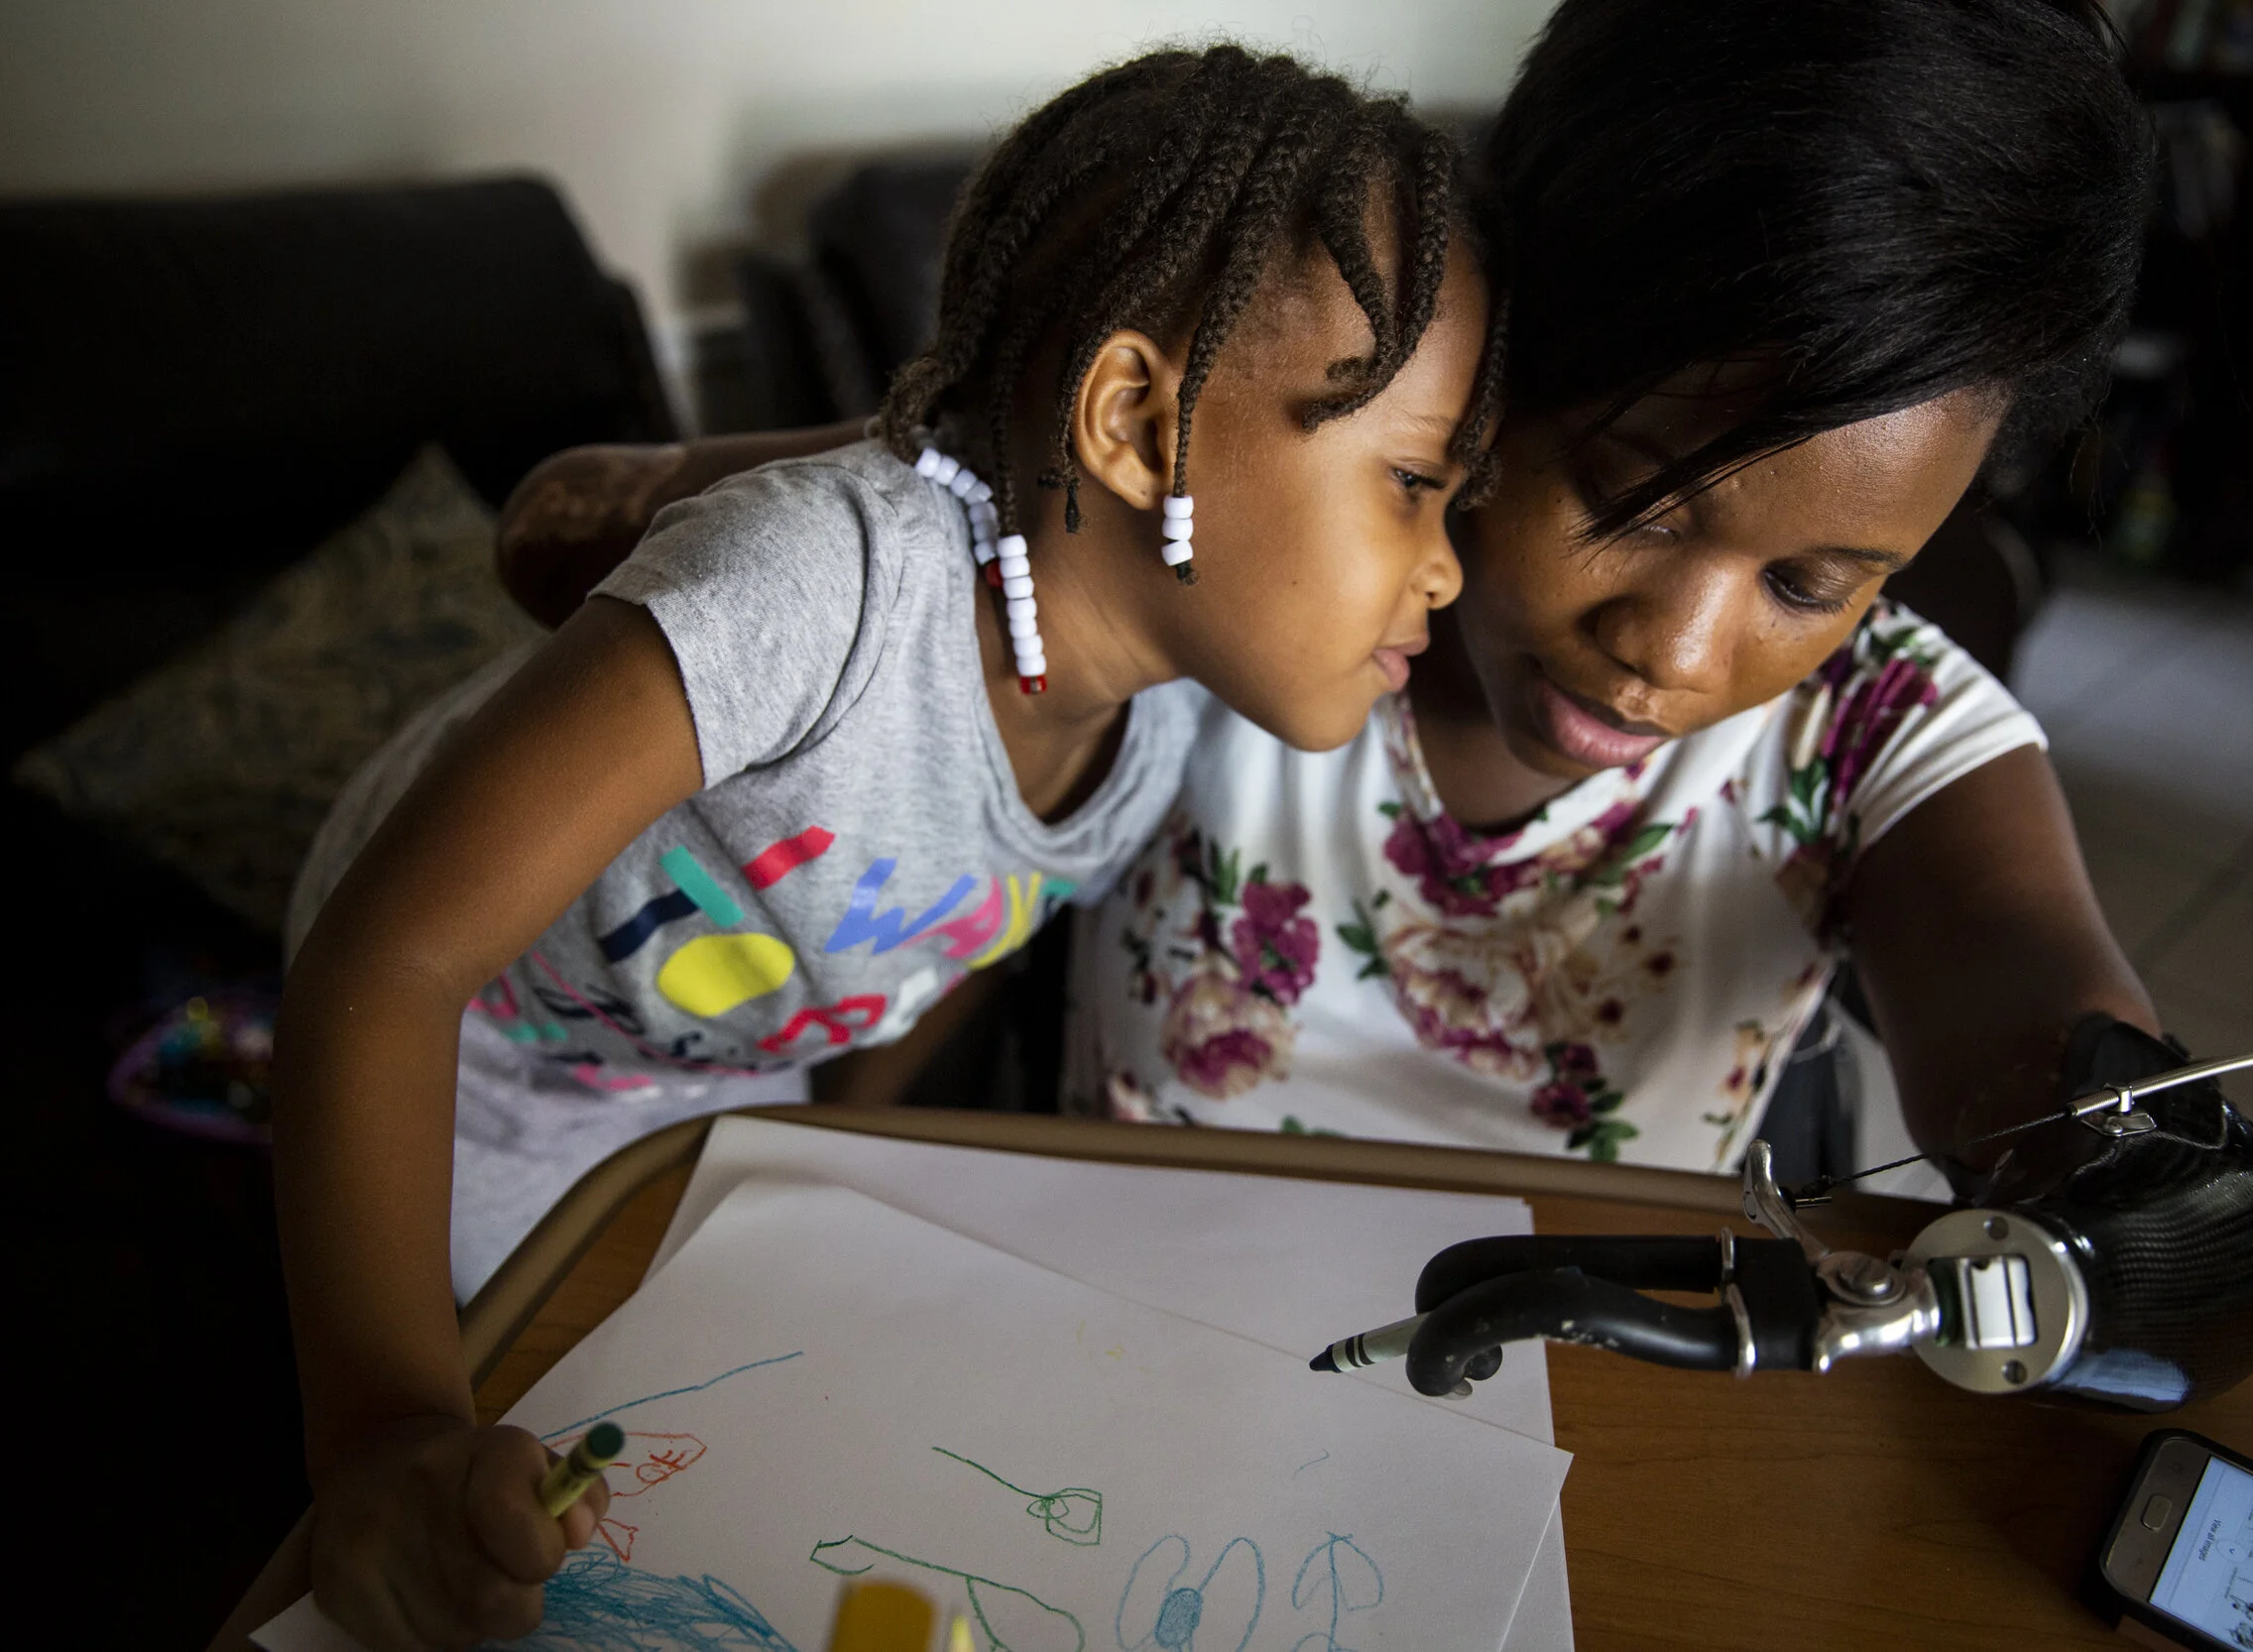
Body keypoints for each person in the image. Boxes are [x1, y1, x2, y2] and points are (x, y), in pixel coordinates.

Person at [273, 48, 1497, 1649]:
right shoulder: (811, 591)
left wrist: (847, 1163)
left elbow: (951, 922)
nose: (1448, 572)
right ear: (1136, 421)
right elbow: (391, 960)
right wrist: (382, 1446)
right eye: (1411, 485)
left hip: (723, 1056)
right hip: (493, 1048)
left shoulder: (1187, 705)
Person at [1068, 0, 2158, 1185]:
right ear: (1503, 328)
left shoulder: (1872, 737)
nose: (1674, 655)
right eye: (1629, 504)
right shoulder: (1211, 522)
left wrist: (2129, 1165)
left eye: (1803, 585)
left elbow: (2034, 1008)